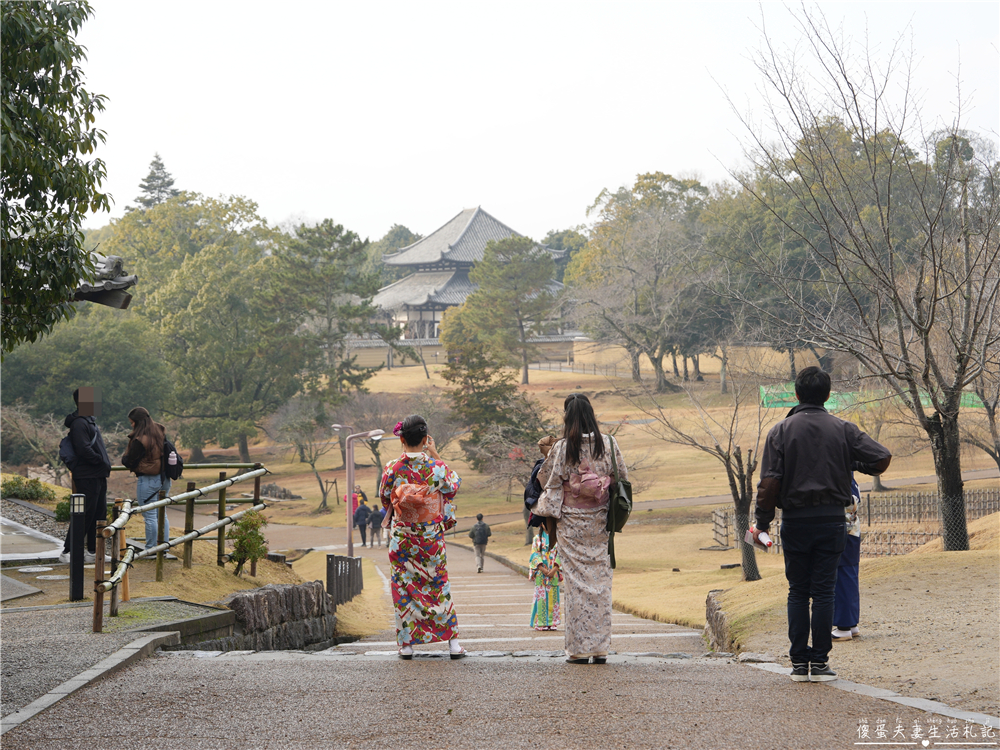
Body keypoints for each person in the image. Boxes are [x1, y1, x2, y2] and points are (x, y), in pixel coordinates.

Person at [753, 367, 891, 683]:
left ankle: (798, 663)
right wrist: (852, 462)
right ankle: (820, 663)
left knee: (798, 592)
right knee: (825, 592)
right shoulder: (843, 429)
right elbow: (881, 457)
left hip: (795, 521)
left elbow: (769, 482)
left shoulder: (780, 431)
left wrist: (762, 522)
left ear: (797, 394)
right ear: (828, 395)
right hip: (831, 521)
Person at [536, 393, 627, 664]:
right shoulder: (609, 443)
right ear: (591, 414)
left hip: (571, 524)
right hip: (600, 521)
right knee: (601, 584)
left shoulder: (563, 447)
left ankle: (578, 650)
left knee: (576, 586)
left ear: (568, 417)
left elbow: (549, 481)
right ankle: (600, 649)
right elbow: (621, 476)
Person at [379, 414, 465, 660]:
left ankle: (407, 646)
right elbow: (453, 486)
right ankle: (453, 644)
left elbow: (385, 497)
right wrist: (435, 454)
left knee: (403, 587)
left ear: (402, 439)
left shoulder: (392, 468)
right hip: (430, 538)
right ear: (426, 439)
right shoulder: (436, 468)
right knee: (438, 585)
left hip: (403, 537)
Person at [59, 388, 112, 564]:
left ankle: (92, 551)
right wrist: (100, 460)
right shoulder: (79, 423)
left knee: (98, 513)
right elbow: (83, 449)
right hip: (87, 474)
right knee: (85, 513)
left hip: (97, 474)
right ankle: (68, 551)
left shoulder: (89, 421)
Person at [121, 406, 172, 550]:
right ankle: (164, 546)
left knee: (150, 516)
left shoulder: (140, 440)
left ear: (138, 422)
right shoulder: (159, 432)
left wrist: (125, 458)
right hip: (164, 478)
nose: (131, 425)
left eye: (132, 422)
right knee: (162, 514)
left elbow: (129, 460)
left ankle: (151, 548)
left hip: (148, 479)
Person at [832, 477, 863, 641]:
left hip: (843, 530)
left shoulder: (843, 479)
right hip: (851, 531)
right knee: (849, 576)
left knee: (842, 578)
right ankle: (851, 624)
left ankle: (844, 626)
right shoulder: (850, 480)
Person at [529, 526, 561, 630]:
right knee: (541, 598)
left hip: (553, 572)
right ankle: (541, 622)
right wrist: (542, 569)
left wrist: (555, 568)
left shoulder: (558, 537)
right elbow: (534, 555)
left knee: (553, 598)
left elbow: (561, 554)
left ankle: (552, 622)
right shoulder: (536, 539)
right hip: (541, 573)